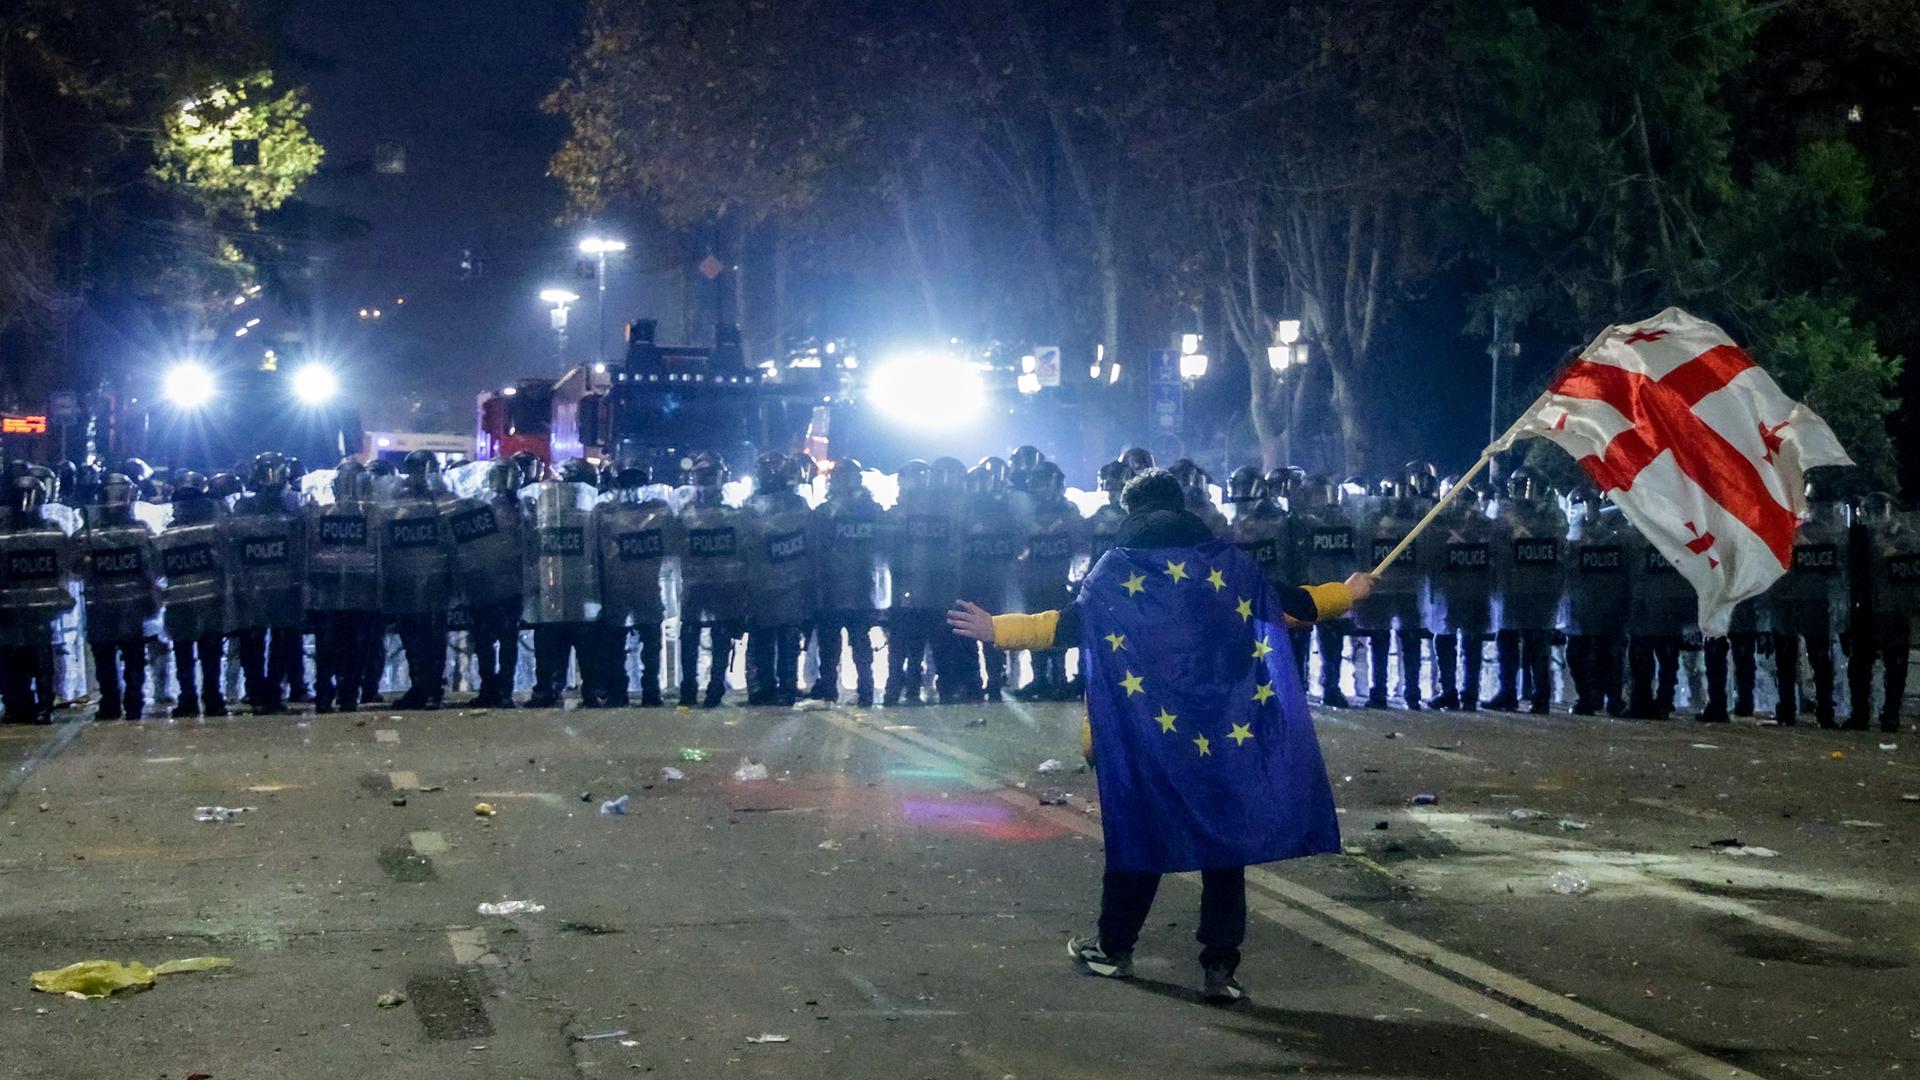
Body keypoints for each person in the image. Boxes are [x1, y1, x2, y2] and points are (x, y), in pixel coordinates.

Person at [946, 468, 1372, 1004]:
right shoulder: (1229, 565)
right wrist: (1346, 593)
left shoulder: (1115, 571)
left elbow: (1070, 625)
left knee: (1140, 837)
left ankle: (1114, 947)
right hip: (1221, 737)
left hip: (1145, 740)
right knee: (1224, 848)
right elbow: (1291, 606)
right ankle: (1220, 968)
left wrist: (999, 630)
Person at [79, 473, 163, 720]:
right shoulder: (137, 530)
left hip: (111, 604)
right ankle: (126, 703)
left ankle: (116, 702)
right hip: (120, 604)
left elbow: (72, 565)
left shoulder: (92, 532)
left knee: (118, 657)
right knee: (126, 657)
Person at [595, 459, 678, 707]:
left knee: (647, 642)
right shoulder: (604, 510)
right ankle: (626, 689)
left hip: (642, 585)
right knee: (622, 643)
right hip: (621, 586)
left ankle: (646, 689)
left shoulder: (657, 508)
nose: (632, 487)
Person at [227, 452, 305, 715]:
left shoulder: (245, 507)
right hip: (278, 584)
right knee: (271, 640)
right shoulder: (293, 504)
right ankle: (268, 692)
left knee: (258, 640)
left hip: (259, 585)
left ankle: (261, 691)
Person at [885, 458, 966, 705]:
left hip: (929, 590)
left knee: (922, 646)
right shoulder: (902, 513)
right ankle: (913, 688)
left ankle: (916, 689)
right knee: (912, 646)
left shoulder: (934, 512)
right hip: (918, 590)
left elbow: (956, 549)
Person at [525, 457, 604, 709]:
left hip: (564, 594)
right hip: (577, 595)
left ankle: (551, 690)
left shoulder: (549, 514)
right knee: (579, 650)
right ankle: (588, 690)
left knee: (555, 648)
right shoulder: (591, 513)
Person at [449, 459, 528, 708]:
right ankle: (492, 688)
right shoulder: (483, 506)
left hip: (506, 585)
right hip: (488, 583)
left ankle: (501, 688)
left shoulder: (524, 507)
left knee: (501, 640)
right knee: (488, 641)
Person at [381, 451, 455, 710]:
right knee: (425, 639)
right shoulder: (445, 501)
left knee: (421, 639)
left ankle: (428, 687)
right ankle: (427, 688)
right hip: (424, 583)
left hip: (417, 584)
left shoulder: (398, 504)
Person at [306, 460, 382, 714]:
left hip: (332, 593)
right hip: (354, 592)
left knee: (330, 648)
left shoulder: (321, 513)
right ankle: (345, 695)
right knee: (353, 648)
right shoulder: (372, 514)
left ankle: (328, 695)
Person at [1487, 469, 1566, 714]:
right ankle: (1508, 692)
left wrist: (1524, 527)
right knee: (1507, 640)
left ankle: (1540, 696)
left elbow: (1558, 541)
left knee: (1537, 644)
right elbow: (1494, 543)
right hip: (1512, 586)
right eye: (1516, 486)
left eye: (1524, 486)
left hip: (1540, 587)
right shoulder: (1505, 513)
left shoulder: (1552, 514)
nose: (1519, 492)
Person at [0, 473, 77, 724]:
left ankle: (31, 706)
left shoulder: (9, 533)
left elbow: (66, 565)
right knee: (27, 661)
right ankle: (30, 706)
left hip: (23, 608)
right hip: (28, 608)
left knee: (27, 661)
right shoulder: (51, 532)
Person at [677, 452, 749, 707]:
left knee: (719, 636)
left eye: (710, 474)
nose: (705, 479)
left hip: (722, 585)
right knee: (690, 635)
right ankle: (689, 687)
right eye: (701, 474)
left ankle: (715, 686)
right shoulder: (686, 512)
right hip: (696, 585)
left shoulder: (732, 512)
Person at [744, 452, 815, 706]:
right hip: (768, 581)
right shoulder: (753, 505)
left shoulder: (795, 503)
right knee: (770, 639)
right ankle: (765, 686)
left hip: (786, 581)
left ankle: (781, 685)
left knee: (785, 638)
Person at [1420, 476, 1494, 711]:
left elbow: (1491, 548)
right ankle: (1450, 691)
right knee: (1445, 639)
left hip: (1473, 588)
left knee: (1469, 642)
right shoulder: (1439, 523)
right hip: (1449, 589)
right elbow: (1430, 552)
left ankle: (1469, 693)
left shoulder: (1481, 522)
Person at [1015, 461, 1086, 701]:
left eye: (1041, 481)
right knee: (1034, 628)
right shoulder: (1028, 512)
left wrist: (1076, 578)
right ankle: (1039, 679)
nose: (1036, 486)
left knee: (1057, 629)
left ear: (1055, 483)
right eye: (1033, 481)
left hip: (1059, 581)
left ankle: (1059, 678)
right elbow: (1018, 546)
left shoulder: (1070, 511)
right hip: (1033, 581)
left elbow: (1080, 547)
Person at [1290, 475, 1360, 706]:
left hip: (1330, 586)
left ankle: (1331, 687)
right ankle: (1299, 687)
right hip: (1305, 586)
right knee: (1299, 641)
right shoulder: (1296, 521)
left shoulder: (1341, 519)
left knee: (1331, 642)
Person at [1560, 488, 1628, 717]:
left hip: (1607, 604)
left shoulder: (1614, 533)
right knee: (1579, 654)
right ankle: (1590, 697)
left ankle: (1612, 698)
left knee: (1608, 653)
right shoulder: (1570, 537)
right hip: (1582, 605)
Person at [959, 464, 1018, 702]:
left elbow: (1012, 546)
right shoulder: (965, 510)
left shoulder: (1001, 510)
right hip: (972, 581)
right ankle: (973, 681)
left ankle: (994, 680)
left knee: (993, 633)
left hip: (993, 581)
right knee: (969, 633)